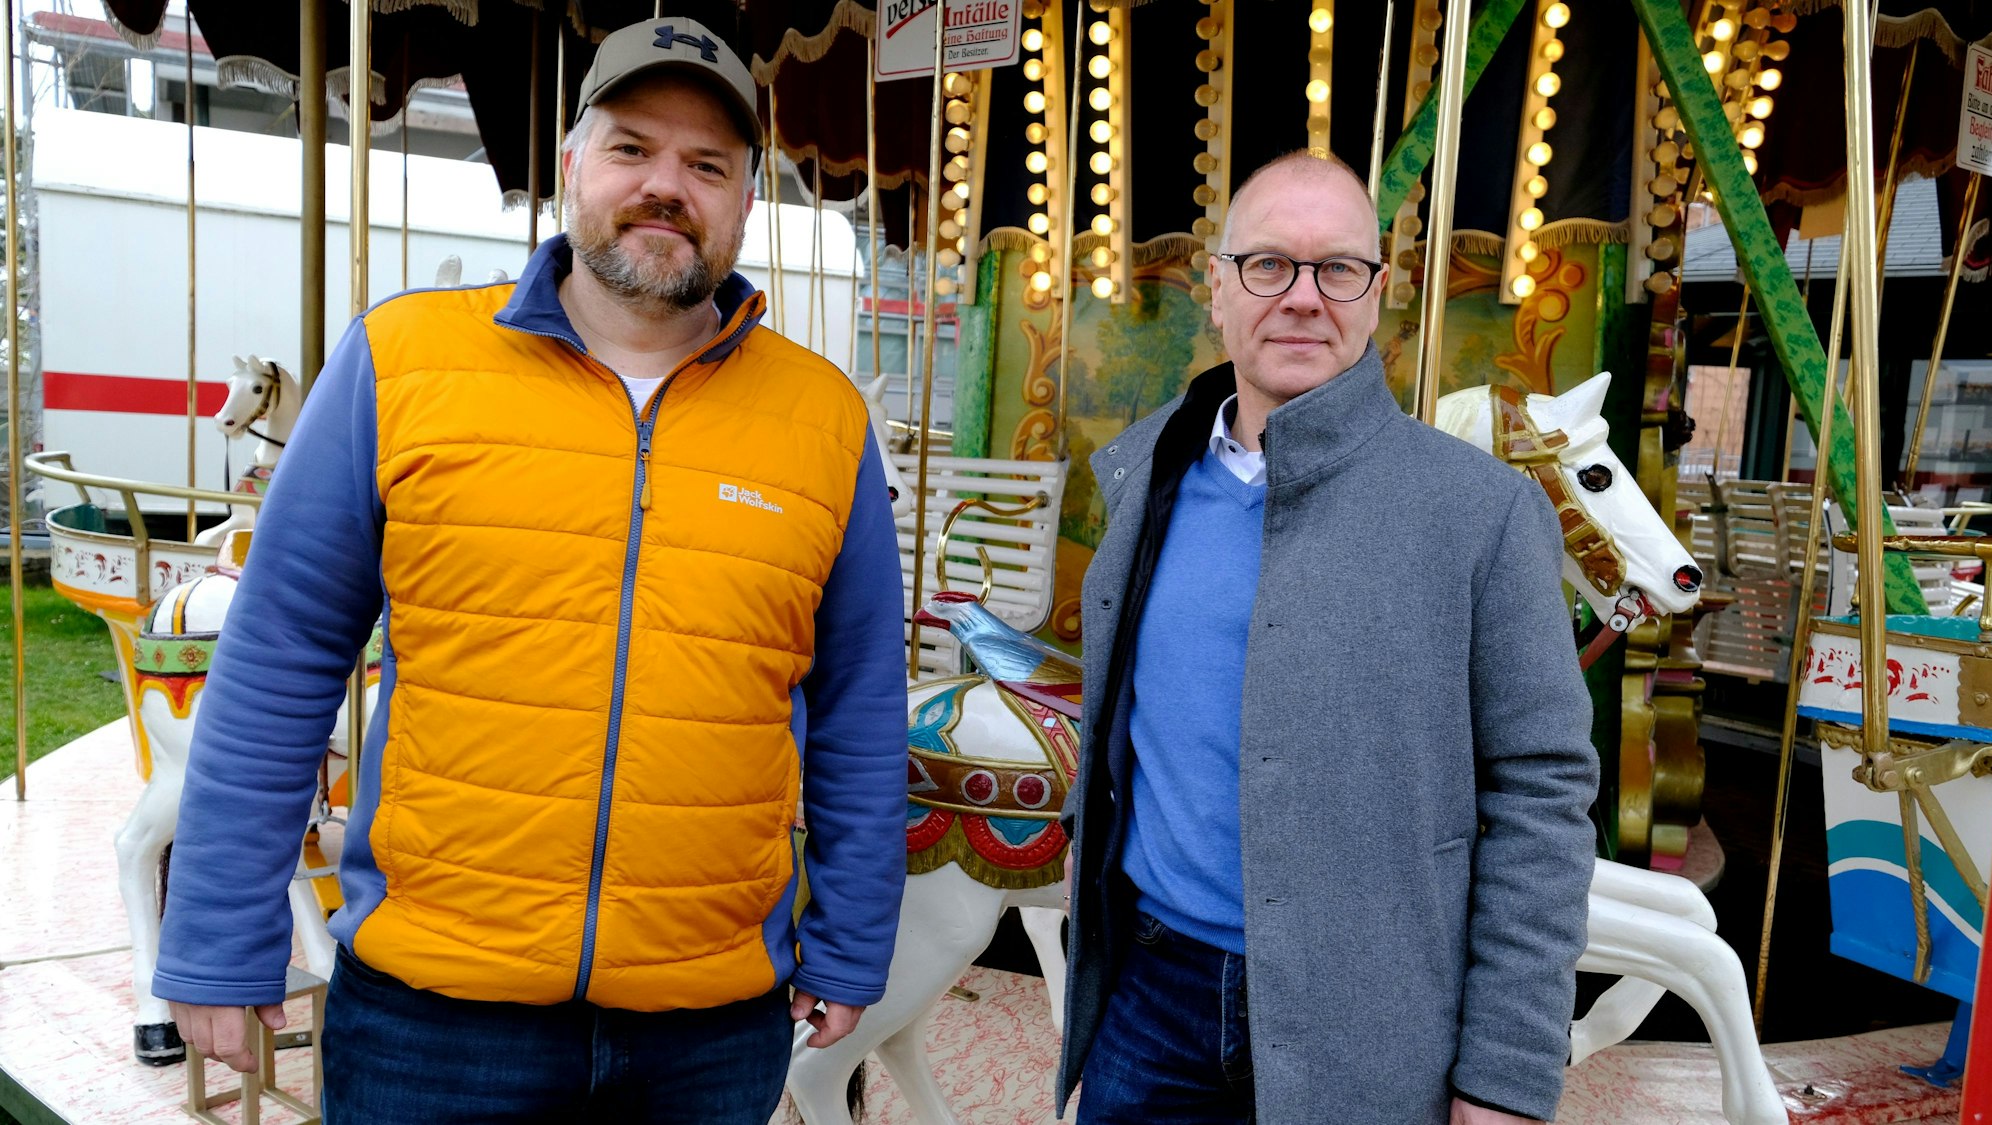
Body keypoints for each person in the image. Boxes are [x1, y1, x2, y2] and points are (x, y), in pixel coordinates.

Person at [153, 17, 911, 1122]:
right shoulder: (404, 363)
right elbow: (280, 657)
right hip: (434, 1019)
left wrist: (851, 939)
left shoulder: (822, 420)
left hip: (706, 1030)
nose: (666, 186)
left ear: (747, 200)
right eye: (631, 148)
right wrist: (220, 931)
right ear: (569, 166)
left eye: (707, 165)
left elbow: (859, 706)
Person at [1058, 151, 1599, 1125]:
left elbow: (1540, 795)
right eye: (1268, 264)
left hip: (1368, 1018)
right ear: (1216, 286)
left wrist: (1506, 1070)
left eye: (1337, 268)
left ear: (1378, 292)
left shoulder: (1480, 515)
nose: (1302, 297)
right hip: (1150, 996)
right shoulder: (1147, 479)